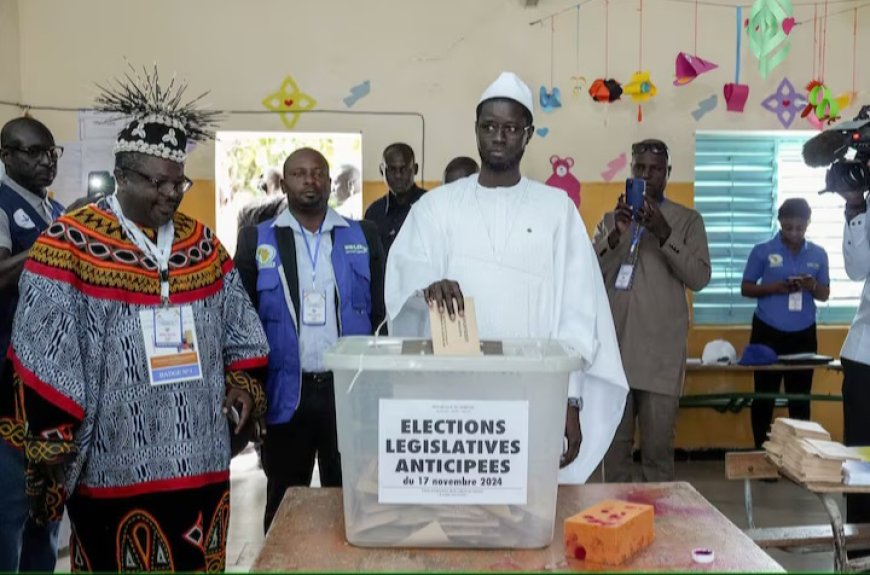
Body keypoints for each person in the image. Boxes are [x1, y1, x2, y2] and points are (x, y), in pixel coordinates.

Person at [10, 69, 270, 572]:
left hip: (200, 458)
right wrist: (55, 440)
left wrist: (242, 383)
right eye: (158, 182)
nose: (172, 195)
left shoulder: (202, 244)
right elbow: (42, 345)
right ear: (122, 176)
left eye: (179, 182)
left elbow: (242, 325)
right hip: (113, 460)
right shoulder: (68, 244)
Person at [385, 71, 628, 484]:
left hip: (535, 396)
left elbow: (577, 311)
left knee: (529, 509)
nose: (499, 136)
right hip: (454, 400)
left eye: (511, 128)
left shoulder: (557, 210)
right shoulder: (436, 208)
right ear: (476, 131)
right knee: (460, 508)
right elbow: (405, 271)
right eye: (490, 126)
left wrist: (572, 400)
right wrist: (427, 286)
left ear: (528, 134)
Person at [235, 147, 386, 532]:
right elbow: (242, 320)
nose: (310, 180)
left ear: (329, 180)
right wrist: (251, 389)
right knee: (284, 501)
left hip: (347, 394)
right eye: (300, 173)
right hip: (287, 394)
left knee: (352, 500)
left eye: (318, 172)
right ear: (285, 183)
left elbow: (382, 313)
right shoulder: (257, 240)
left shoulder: (362, 235)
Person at [596, 139, 711, 482]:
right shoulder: (610, 220)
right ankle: (615, 528)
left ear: (668, 174)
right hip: (615, 356)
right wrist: (616, 236)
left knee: (657, 459)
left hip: (660, 356)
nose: (647, 175)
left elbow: (699, 277)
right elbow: (589, 273)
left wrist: (663, 232)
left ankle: (660, 532)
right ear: (631, 171)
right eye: (640, 168)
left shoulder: (687, 221)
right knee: (614, 456)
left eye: (655, 169)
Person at [0, 116, 65, 572]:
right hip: (9, 384)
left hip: (53, 381)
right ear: (6, 156)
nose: (46, 161)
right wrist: (53, 242)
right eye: (33, 152)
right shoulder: (2, 205)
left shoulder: (55, 210)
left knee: (47, 511)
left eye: (51, 152)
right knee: (10, 513)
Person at [741, 198, 830, 448]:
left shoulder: (818, 254)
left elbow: (824, 294)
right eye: (789, 227)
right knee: (764, 396)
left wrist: (812, 285)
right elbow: (746, 288)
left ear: (808, 224)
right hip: (767, 331)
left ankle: (798, 458)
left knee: (799, 398)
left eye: (800, 228)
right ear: (780, 223)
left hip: (803, 334)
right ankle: (762, 455)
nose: (794, 232)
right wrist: (776, 288)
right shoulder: (762, 251)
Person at [364, 143, 426, 254]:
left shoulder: (430, 205)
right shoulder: (374, 213)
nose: (398, 175)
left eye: (404, 169)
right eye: (392, 169)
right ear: (382, 170)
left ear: (415, 169)